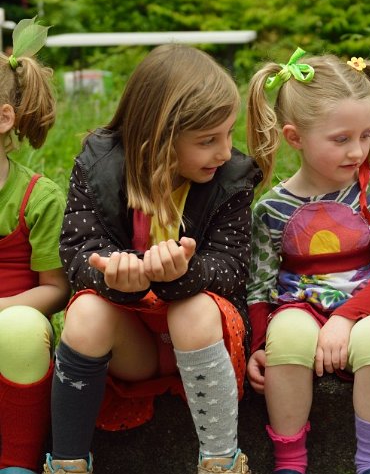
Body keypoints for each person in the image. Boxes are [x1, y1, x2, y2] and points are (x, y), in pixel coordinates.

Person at [44, 44, 262, 474]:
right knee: (86, 310)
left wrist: (185, 272)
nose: (224, 152)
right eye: (207, 141)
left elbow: (235, 267)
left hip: (205, 339)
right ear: (158, 137)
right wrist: (112, 277)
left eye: (228, 134)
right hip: (135, 344)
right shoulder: (99, 166)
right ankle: (67, 464)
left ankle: (221, 462)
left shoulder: (230, 178)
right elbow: (76, 252)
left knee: (192, 308)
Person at [245, 48, 370, 474]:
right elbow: (261, 285)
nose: (358, 150)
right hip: (298, 307)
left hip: (368, 306)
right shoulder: (272, 209)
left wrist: (346, 318)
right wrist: (258, 344)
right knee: (287, 336)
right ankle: (290, 461)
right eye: (341, 139)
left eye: (366, 134)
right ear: (295, 137)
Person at [0, 18, 70, 474]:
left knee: (20, 329)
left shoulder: (37, 198)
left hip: (16, 325)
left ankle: (18, 463)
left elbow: (56, 289)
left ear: (4, 117)